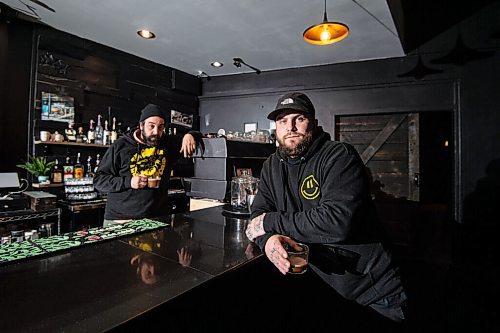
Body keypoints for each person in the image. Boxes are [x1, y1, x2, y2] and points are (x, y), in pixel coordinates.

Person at [245, 92, 407, 323]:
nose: (290, 127)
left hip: (371, 291)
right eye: (282, 121)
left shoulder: (338, 155)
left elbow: (336, 222)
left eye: (298, 118)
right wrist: (267, 240)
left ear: (313, 123)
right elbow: (257, 216)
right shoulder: (272, 165)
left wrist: (269, 223)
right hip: (319, 285)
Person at [94, 104, 200, 224]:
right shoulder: (121, 146)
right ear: (141, 126)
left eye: (160, 127)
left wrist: (190, 135)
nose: (156, 132)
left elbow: (199, 135)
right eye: (151, 126)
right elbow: (99, 180)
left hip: (156, 219)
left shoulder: (167, 143)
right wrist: (129, 182)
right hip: (121, 220)